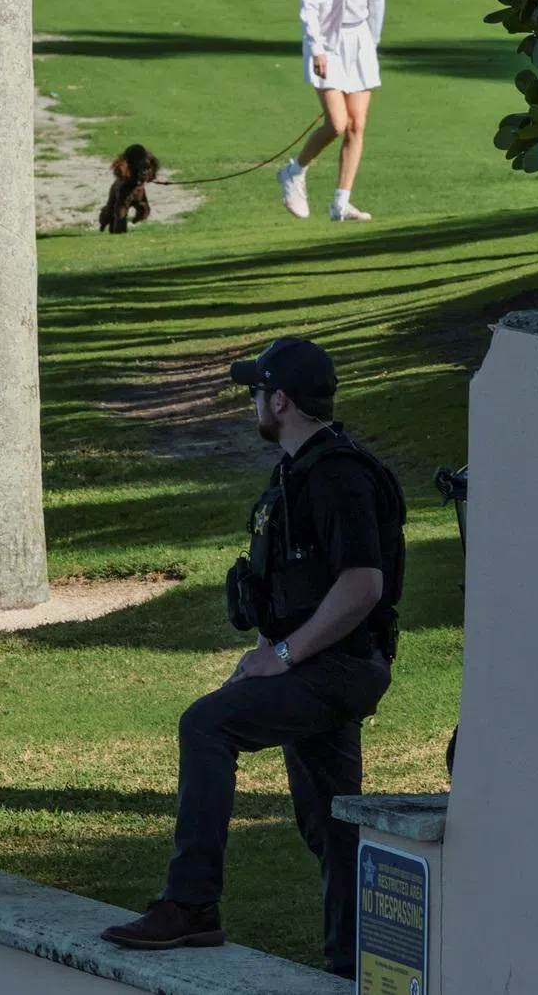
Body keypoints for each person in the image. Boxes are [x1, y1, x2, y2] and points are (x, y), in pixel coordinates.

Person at [102, 336, 406, 979]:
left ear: (281, 400)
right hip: (322, 664)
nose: (252, 404)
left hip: (339, 669)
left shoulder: (338, 476)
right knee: (332, 821)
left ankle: (191, 904)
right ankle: (352, 969)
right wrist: (267, 651)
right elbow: (304, 586)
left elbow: (363, 585)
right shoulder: (300, 471)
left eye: (257, 393)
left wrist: (286, 654)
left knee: (206, 725)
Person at [277, 0, 393, 223]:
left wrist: (372, 43)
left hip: (360, 42)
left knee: (358, 124)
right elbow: (310, 1)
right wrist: (317, 48)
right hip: (328, 44)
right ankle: (294, 172)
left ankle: (341, 203)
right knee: (337, 124)